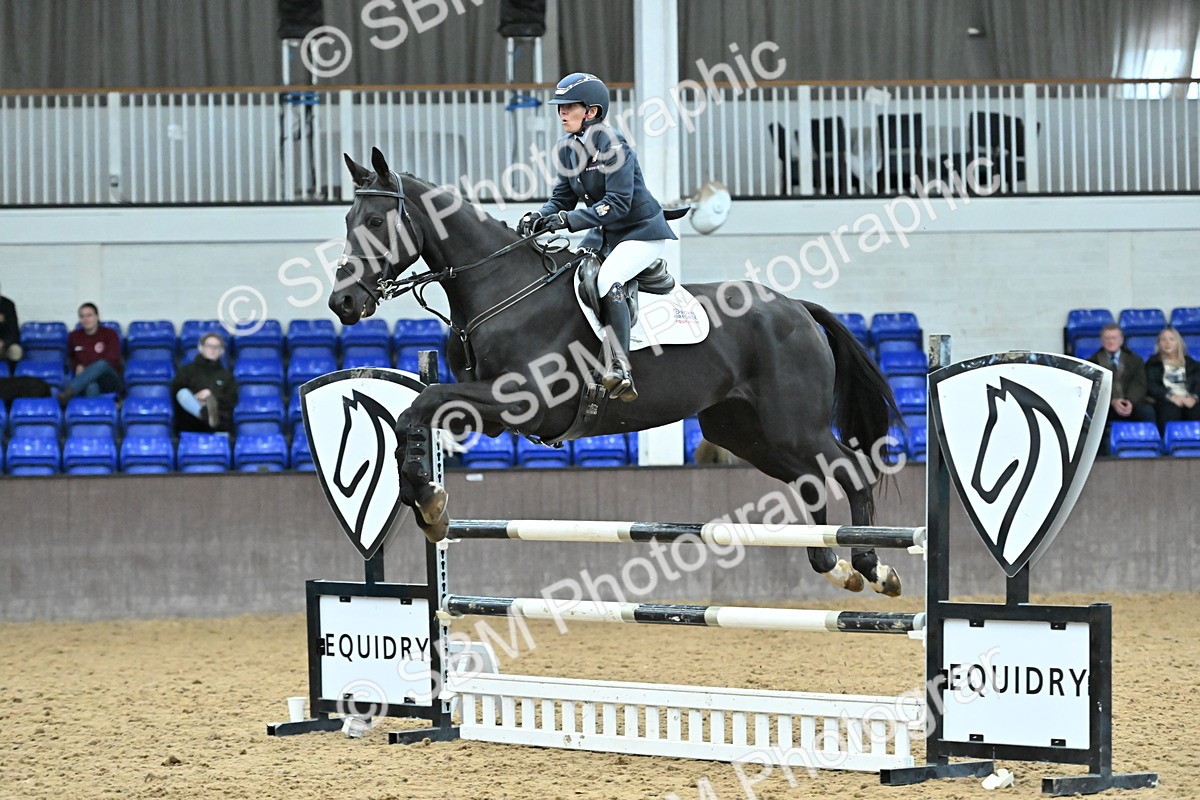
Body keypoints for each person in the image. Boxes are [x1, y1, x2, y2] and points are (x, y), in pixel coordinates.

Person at [516, 72, 678, 403]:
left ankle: (620, 365)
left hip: (639, 231)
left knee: (608, 279)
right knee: (569, 278)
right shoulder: (567, 148)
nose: (561, 113)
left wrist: (566, 221)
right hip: (604, 234)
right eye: (559, 107)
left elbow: (617, 204)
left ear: (590, 112)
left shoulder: (613, 144)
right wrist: (541, 216)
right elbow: (562, 198)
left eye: (569, 107)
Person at [1087, 323, 1155, 450]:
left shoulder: (1135, 360)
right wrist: (1112, 401)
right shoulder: (1093, 362)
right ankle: (1101, 455)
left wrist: (1130, 401)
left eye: (1114, 338)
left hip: (1132, 403)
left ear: (1121, 340)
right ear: (1102, 341)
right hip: (1106, 405)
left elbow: (1140, 384)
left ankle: (1149, 449)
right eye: (1107, 338)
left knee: (1147, 412)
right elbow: (1095, 388)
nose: (1110, 341)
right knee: (1096, 416)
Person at [171, 331, 237, 433]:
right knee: (183, 393)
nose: (213, 350)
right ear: (201, 348)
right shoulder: (186, 371)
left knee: (215, 404)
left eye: (217, 347)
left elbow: (231, 400)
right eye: (209, 346)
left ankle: (208, 416)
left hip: (219, 423)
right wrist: (196, 397)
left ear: (222, 351)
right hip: (190, 424)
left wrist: (211, 396)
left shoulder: (227, 376)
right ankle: (206, 416)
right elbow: (176, 393)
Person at [60, 302, 122, 405]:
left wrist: (87, 368)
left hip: (109, 379)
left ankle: (69, 392)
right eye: (82, 316)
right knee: (91, 387)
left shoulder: (110, 334)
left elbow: (112, 360)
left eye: (89, 315)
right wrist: (76, 366)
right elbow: (70, 358)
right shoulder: (74, 336)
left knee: (102, 364)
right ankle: (96, 416)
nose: (86, 319)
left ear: (97, 317)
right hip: (87, 380)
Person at [1144, 326, 1200, 433]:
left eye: (1171, 339)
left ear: (1178, 342)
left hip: (1189, 398)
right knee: (1170, 411)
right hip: (1166, 400)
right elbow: (1151, 386)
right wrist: (1170, 396)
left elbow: (1198, 384)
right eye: (1163, 339)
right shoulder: (1152, 364)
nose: (1167, 343)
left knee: (1196, 411)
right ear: (1159, 343)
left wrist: (1194, 397)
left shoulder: (1192, 364)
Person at [0, 283, 21, 363]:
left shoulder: (8, 305)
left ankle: (12, 374)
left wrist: (4, 342)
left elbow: (14, 330)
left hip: (7, 344)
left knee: (16, 351)